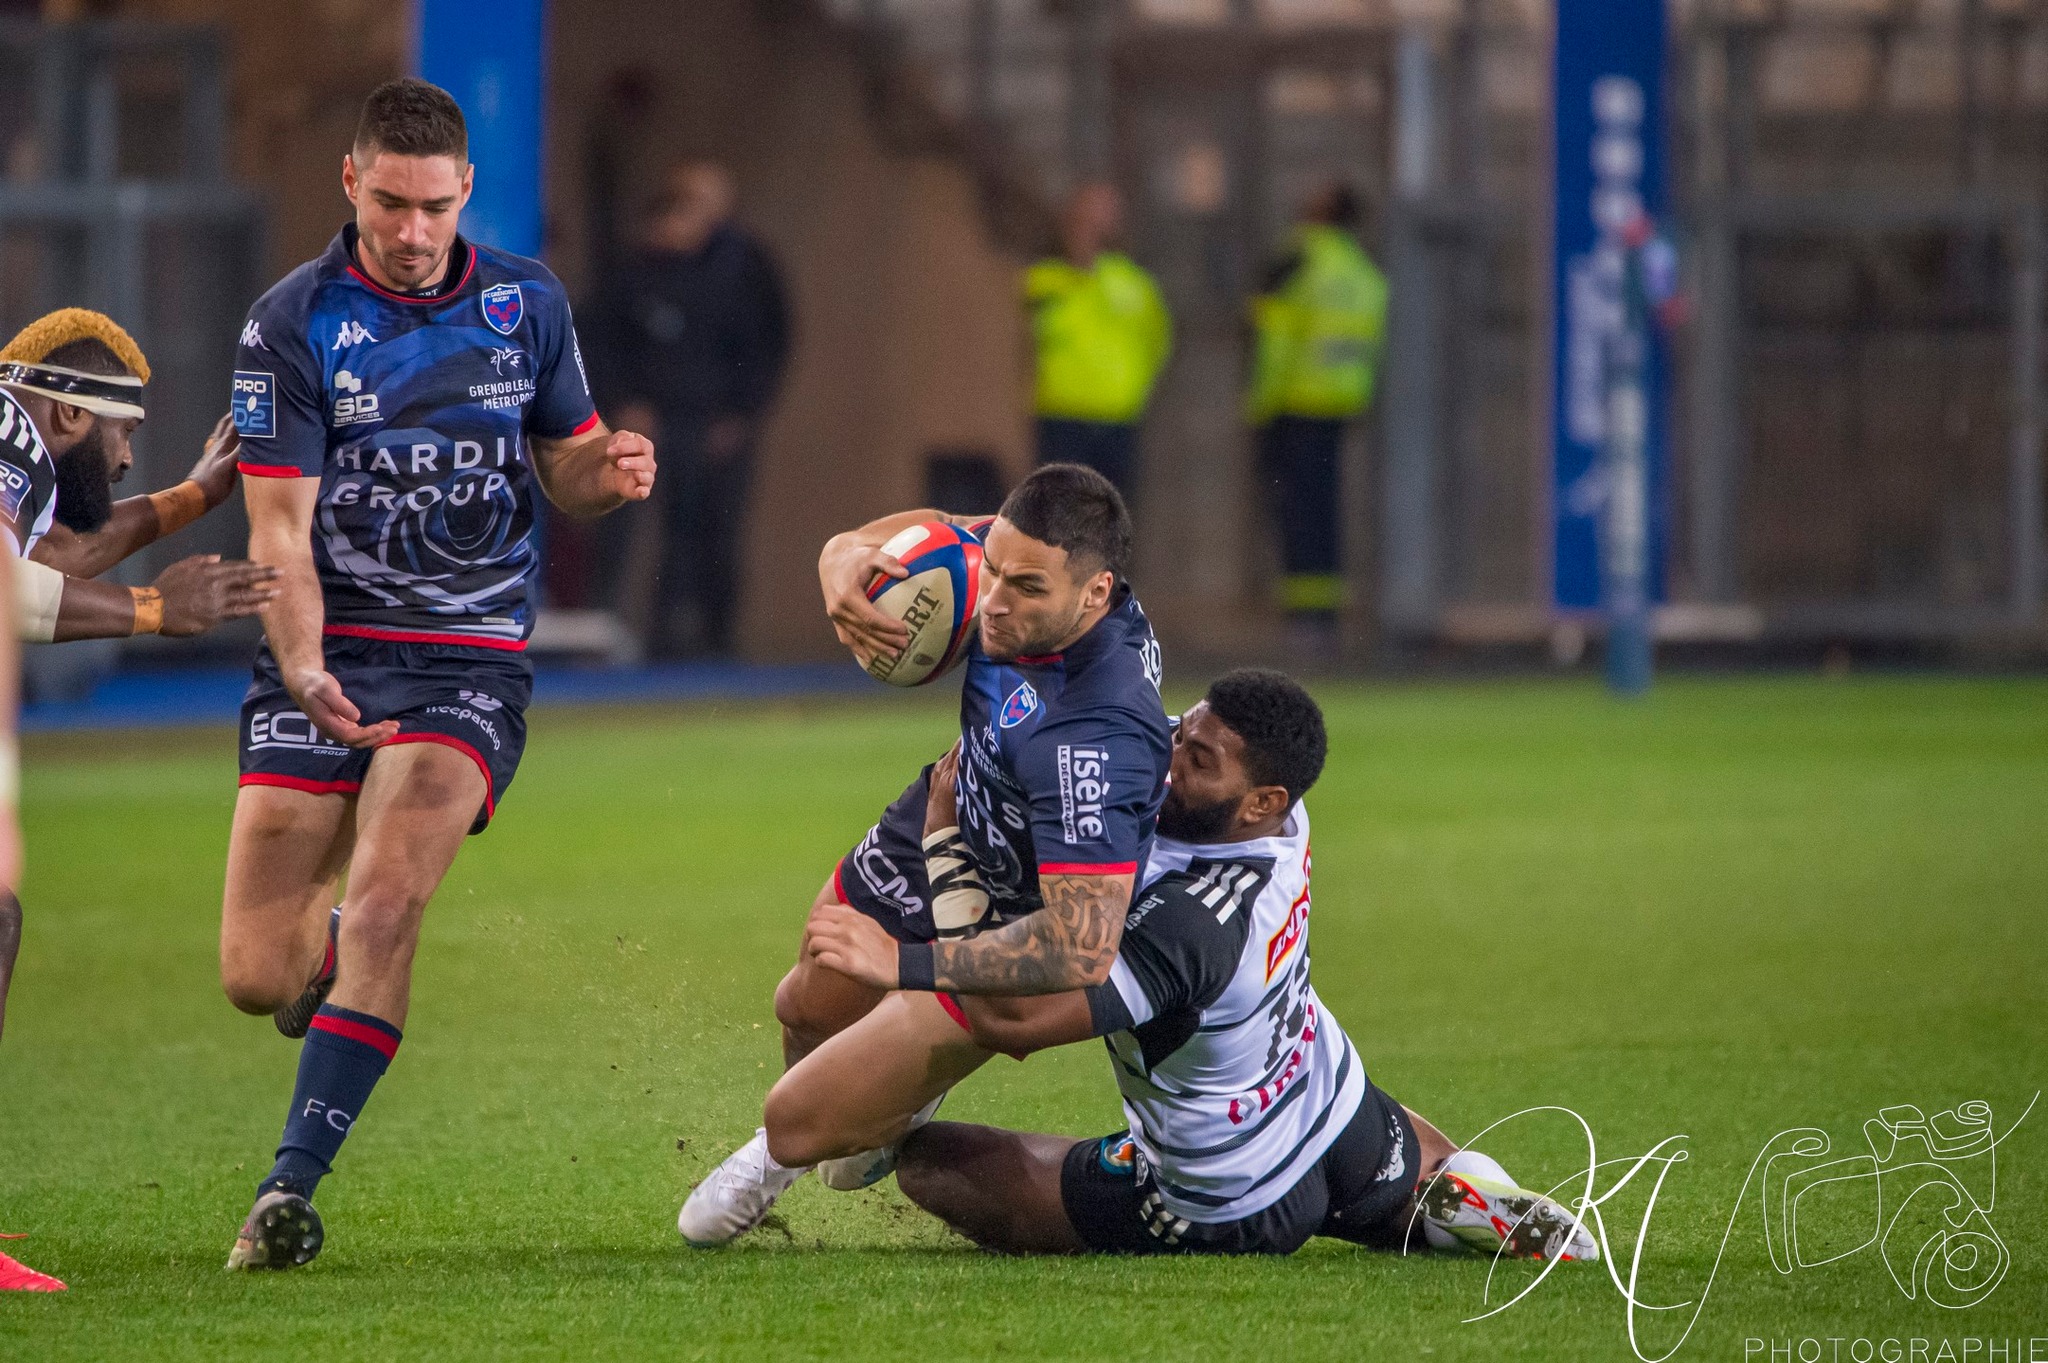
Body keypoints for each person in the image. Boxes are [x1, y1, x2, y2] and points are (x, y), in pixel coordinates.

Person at [216, 78, 655, 1272]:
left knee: (397, 889)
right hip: (331, 649)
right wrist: (303, 666)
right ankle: (348, 942)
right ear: (351, 182)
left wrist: (603, 473)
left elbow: (561, 465)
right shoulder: (291, 322)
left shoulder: (527, 301)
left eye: (436, 207)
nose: (414, 234)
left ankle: (286, 1189)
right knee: (257, 975)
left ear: (467, 191)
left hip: (469, 659)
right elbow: (278, 535)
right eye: (393, 204)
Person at [892, 669, 1597, 1262]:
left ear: (1261, 802)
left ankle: (1422, 1202)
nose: (1171, 761)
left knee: (929, 1161)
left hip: (1226, 1197)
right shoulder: (1279, 820)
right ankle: (1454, 1195)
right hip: (1332, 1102)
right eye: (1180, 737)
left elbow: (1010, 1019)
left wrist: (944, 844)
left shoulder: (1188, 919)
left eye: (1197, 763)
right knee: (1422, 1171)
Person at [677, 462, 1172, 1245]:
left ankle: (801, 1144)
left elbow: (1080, 942)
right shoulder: (1018, 555)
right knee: (805, 1001)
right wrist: (840, 565)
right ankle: (875, 1104)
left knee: (795, 1127)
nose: (996, 600)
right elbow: (910, 535)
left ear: (1096, 593)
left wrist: (902, 961)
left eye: (1026, 589)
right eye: (996, 570)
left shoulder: (1096, 735)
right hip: (958, 805)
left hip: (1021, 910)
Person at [0, 308, 276, 1294]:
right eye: (123, 435)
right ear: (69, 415)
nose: (123, 462)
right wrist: (158, 609)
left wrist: (198, 494)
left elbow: (48, 562)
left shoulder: (18, 445)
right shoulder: (9, 439)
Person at [582, 161, 790, 657]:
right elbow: (598, 343)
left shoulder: (742, 272)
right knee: (619, 526)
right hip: (637, 426)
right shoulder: (629, 275)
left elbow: (763, 345)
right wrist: (622, 402)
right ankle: (597, 634)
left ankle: (694, 639)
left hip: (707, 424)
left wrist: (739, 413)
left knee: (703, 529)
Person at [1245, 182, 1387, 656]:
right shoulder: (1362, 271)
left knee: (1295, 514)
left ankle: (1303, 620)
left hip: (1292, 400)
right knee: (1326, 511)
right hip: (1341, 404)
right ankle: (1323, 617)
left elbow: (1261, 321)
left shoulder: (1298, 258)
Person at [1025, 184, 1170, 506]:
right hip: (1061, 415)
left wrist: (1135, 389)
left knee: (1108, 522)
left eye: (1105, 213)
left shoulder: (1134, 283)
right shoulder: (1044, 279)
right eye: (1089, 213)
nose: (1096, 224)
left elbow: (1157, 341)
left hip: (1117, 419)